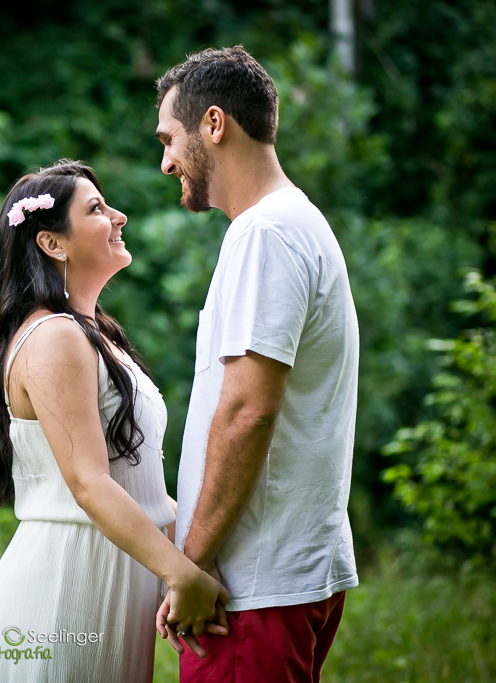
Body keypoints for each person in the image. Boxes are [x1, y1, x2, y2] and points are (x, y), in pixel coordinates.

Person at [0, 160, 228, 683]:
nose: (119, 216)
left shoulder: (93, 335)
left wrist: (201, 553)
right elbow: (88, 483)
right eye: (96, 209)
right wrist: (180, 573)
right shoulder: (54, 336)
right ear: (52, 243)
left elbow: (139, 487)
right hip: (66, 587)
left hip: (108, 578)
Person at [152, 47, 360, 683]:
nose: (165, 162)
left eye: (169, 138)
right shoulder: (294, 223)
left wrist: (192, 563)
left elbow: (247, 411)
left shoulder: (265, 233)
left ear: (214, 124)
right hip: (277, 580)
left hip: (249, 592)